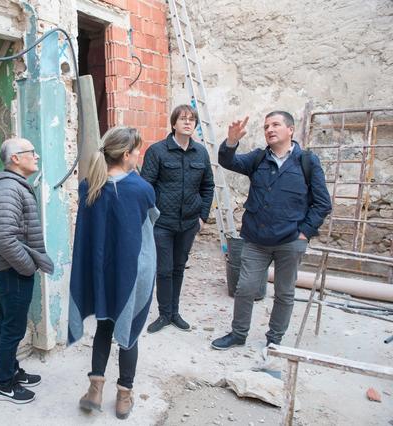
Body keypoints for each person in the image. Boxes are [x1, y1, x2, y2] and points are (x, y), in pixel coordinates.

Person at [211, 111, 332, 350]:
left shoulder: (307, 161)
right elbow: (228, 161)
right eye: (266, 126)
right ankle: (238, 333)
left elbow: (322, 203)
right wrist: (232, 142)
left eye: (276, 124)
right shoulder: (258, 158)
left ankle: (274, 339)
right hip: (256, 239)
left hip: (290, 240)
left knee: (284, 293)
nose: (270, 129)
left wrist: (304, 232)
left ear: (290, 130)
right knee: (245, 288)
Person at [68, 127, 158, 420]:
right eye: (136, 151)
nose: (139, 155)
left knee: (104, 327)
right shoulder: (141, 189)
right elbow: (148, 229)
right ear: (125, 154)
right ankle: (124, 395)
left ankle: (95, 389)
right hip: (128, 274)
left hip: (100, 273)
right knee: (129, 333)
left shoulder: (88, 185)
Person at [0, 137, 54, 403]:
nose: (36, 156)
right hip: (12, 269)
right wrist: (27, 267)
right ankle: (3, 385)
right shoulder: (8, 190)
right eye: (31, 152)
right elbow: (4, 238)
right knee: (13, 327)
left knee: (10, 323)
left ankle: (11, 370)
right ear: (15, 158)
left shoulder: (14, 186)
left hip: (13, 268)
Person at [140, 104, 215, 333]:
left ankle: (175, 313)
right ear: (173, 123)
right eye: (183, 118)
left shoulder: (200, 152)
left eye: (192, 119)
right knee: (164, 269)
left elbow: (208, 185)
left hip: (189, 223)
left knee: (179, 268)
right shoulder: (157, 151)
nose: (188, 122)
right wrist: (150, 217)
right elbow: (146, 186)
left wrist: (202, 217)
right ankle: (164, 314)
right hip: (163, 223)